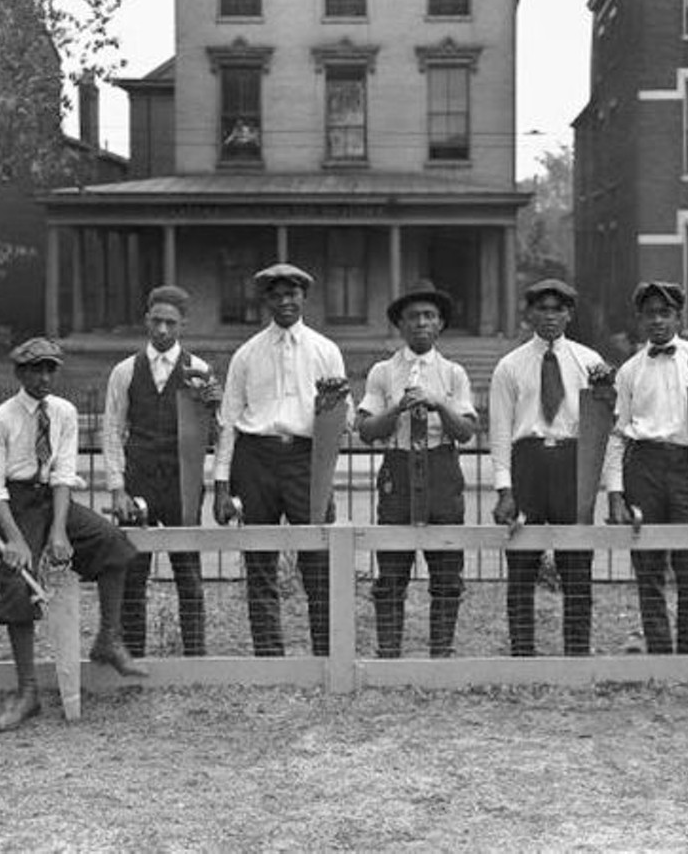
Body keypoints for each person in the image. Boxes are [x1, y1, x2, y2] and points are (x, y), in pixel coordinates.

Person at [0, 337, 145, 733]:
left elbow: (63, 474)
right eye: (36, 369)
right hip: (8, 510)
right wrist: (17, 541)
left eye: (51, 369)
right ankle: (28, 692)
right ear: (20, 373)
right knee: (20, 587)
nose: (44, 377)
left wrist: (58, 531)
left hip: (50, 502)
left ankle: (108, 639)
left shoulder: (64, 413)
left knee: (113, 543)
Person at [212, 263, 349, 657]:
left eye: (292, 294)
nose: (285, 301)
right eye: (276, 295)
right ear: (266, 300)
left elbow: (345, 413)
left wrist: (337, 407)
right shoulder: (246, 354)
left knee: (318, 560)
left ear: (304, 297)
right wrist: (221, 485)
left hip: (305, 460)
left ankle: (325, 653)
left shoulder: (325, 350)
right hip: (255, 459)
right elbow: (228, 420)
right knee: (260, 561)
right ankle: (269, 656)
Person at [604, 281, 688, 655]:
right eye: (650, 314)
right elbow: (617, 434)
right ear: (640, 320)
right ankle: (661, 653)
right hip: (643, 467)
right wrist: (615, 491)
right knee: (647, 567)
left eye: (665, 313)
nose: (658, 321)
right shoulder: (630, 371)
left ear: (679, 317)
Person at [357, 281, 478, 658]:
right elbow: (365, 432)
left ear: (440, 324)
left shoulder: (453, 373)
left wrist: (439, 403)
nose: (421, 323)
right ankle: (389, 654)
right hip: (398, 469)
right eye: (412, 317)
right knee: (391, 572)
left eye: (429, 316)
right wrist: (398, 408)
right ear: (400, 325)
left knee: (446, 573)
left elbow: (468, 433)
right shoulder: (383, 371)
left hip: (442, 468)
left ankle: (441, 653)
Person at [489, 279, 606, 657]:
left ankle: (577, 654)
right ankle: (523, 654)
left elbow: (604, 423)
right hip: (529, 463)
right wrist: (504, 489)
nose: (551, 316)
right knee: (522, 564)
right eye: (543, 308)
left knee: (576, 565)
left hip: (572, 464)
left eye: (558, 309)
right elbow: (501, 429)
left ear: (570, 314)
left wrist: (597, 480)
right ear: (529, 314)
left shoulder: (590, 362)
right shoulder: (510, 365)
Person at [102, 285, 219, 658]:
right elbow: (112, 430)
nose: (163, 330)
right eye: (157, 322)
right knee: (133, 573)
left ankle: (195, 656)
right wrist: (117, 488)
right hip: (139, 480)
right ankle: (134, 655)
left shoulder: (198, 370)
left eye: (171, 322)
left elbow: (214, 433)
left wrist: (213, 408)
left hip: (182, 483)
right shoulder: (124, 371)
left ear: (183, 323)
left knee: (188, 571)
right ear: (146, 321)